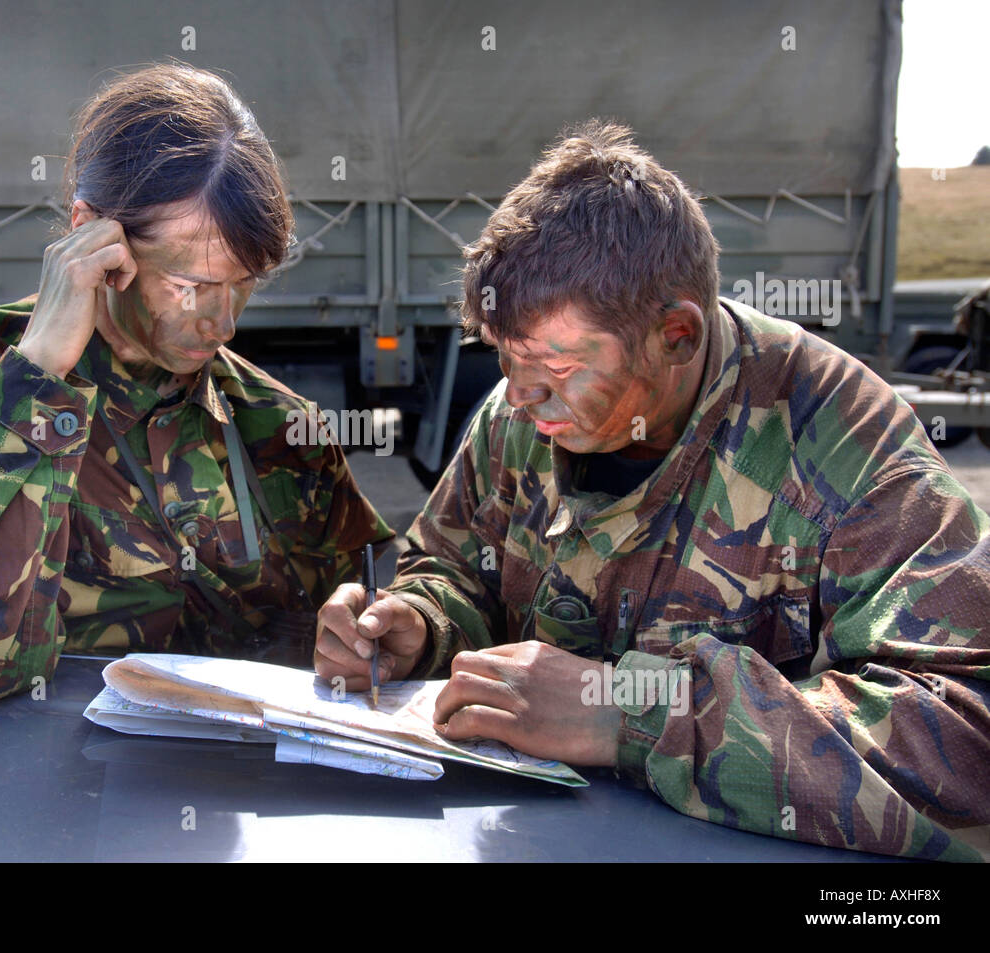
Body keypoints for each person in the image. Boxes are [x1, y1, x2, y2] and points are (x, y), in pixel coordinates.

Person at [315, 120, 990, 860]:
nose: (519, 396)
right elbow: (454, 568)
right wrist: (419, 624)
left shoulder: (843, 448)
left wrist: (626, 713)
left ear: (677, 335)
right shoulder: (520, 416)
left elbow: (961, 734)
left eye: (557, 366)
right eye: (505, 358)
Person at [0, 63, 392, 702]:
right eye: (191, 286)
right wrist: (39, 371)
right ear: (91, 235)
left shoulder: (277, 424)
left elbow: (368, 623)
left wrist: (362, 628)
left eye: (243, 285)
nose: (223, 323)